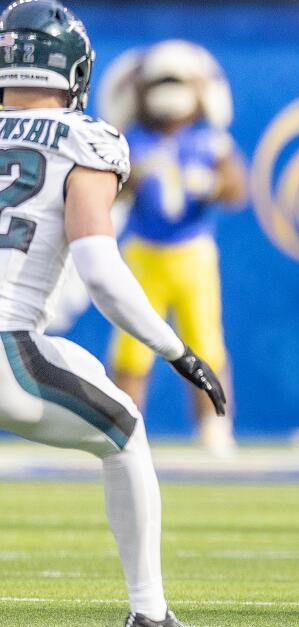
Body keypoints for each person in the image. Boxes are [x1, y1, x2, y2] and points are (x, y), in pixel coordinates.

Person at [0, 0, 224, 627]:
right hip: (8, 348)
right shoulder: (85, 139)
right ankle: (149, 618)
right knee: (124, 431)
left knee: (92, 373)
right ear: (72, 69)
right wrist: (177, 349)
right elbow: (100, 270)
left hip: (23, 342)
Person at [107, 40, 245, 457]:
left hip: (192, 255)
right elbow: (112, 188)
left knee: (206, 346)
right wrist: (130, 176)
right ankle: (122, 431)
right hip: (144, 256)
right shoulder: (130, 141)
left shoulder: (210, 142)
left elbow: (237, 189)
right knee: (131, 351)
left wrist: (214, 184)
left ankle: (215, 429)